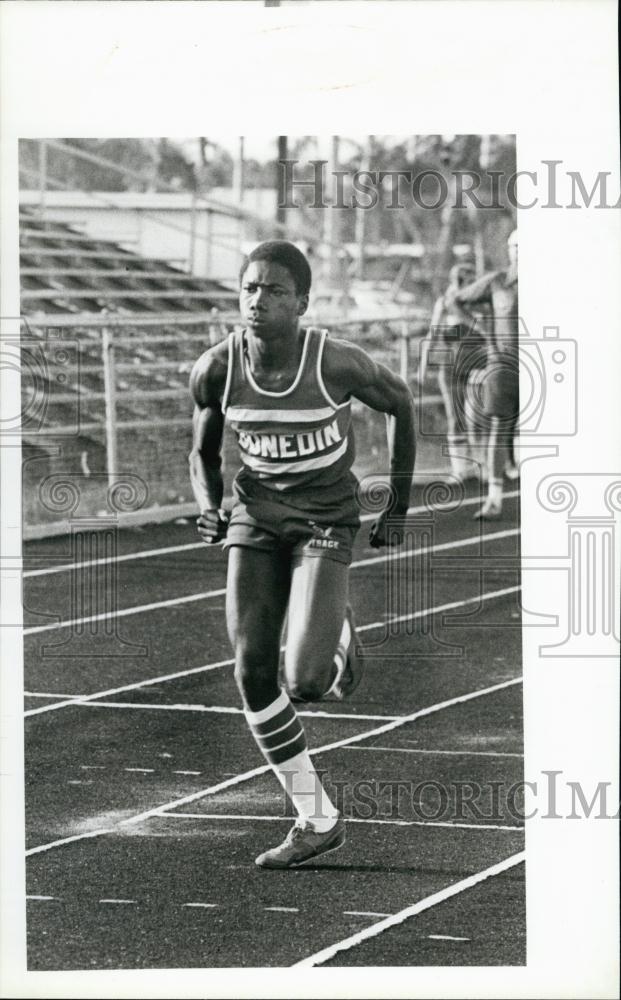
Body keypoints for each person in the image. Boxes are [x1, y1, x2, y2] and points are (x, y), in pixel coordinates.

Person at [188, 240, 416, 868]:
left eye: (274, 291)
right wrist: (208, 503)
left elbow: (400, 402)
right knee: (250, 672)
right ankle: (316, 817)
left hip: (324, 519)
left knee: (308, 681)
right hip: (257, 519)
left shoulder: (335, 362)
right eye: (250, 289)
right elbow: (203, 452)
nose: (258, 301)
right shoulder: (216, 368)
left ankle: (334, 623)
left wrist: (395, 505)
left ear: (303, 303)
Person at [446, 229, 519, 519]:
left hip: (544, 365)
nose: (521, 251)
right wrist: (484, 331)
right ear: (509, 249)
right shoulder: (498, 281)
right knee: (499, 428)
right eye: (516, 246)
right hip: (502, 366)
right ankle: (494, 500)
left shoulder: (551, 280)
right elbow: (456, 300)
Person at [417, 263, 488, 482]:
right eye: (463, 280)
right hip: (451, 368)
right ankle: (460, 469)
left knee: (477, 415)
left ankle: (482, 464)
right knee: (454, 418)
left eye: (470, 280)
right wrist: (423, 363)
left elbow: (490, 332)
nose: (466, 284)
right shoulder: (445, 304)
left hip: (477, 364)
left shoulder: (480, 305)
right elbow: (432, 334)